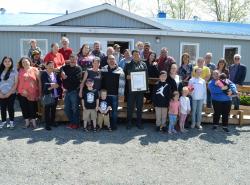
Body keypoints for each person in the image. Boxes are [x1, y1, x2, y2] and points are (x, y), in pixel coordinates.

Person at [124, 50, 148, 129]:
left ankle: (139, 122)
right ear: (132, 56)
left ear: (139, 56)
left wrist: (146, 89)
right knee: (130, 107)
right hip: (131, 90)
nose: (136, 56)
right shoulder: (127, 65)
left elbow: (146, 77)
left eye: (137, 55)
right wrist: (127, 77)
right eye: (134, 55)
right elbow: (123, 76)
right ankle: (129, 122)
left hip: (140, 90)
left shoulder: (143, 64)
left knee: (139, 107)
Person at [101, 55, 125, 130]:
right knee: (105, 110)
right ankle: (106, 124)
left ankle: (114, 125)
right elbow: (101, 82)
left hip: (115, 95)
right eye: (110, 59)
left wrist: (121, 95)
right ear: (107, 60)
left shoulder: (119, 70)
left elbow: (122, 83)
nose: (111, 60)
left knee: (114, 111)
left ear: (115, 60)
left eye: (113, 59)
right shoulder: (104, 69)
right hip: (105, 95)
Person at [17, 57, 41, 129]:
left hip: (32, 92)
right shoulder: (19, 70)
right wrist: (20, 90)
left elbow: (39, 81)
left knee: (32, 107)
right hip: (22, 92)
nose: (25, 63)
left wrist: (40, 92)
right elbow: (18, 81)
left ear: (29, 62)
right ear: (21, 64)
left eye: (26, 61)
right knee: (24, 107)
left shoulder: (35, 69)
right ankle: (27, 122)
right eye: (23, 62)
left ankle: (34, 122)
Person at [60, 53, 82, 129]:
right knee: (67, 108)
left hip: (74, 91)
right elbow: (61, 68)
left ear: (76, 59)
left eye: (74, 58)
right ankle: (72, 122)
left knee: (75, 108)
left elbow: (76, 79)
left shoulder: (78, 68)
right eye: (71, 58)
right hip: (67, 91)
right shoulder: (66, 67)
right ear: (69, 59)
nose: (72, 59)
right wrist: (62, 72)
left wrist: (66, 77)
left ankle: (76, 124)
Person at [40, 61, 62, 130]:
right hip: (48, 94)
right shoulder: (44, 74)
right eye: (49, 65)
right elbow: (44, 84)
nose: (51, 66)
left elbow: (59, 83)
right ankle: (47, 124)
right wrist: (52, 85)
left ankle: (52, 121)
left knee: (53, 109)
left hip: (55, 94)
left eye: (52, 65)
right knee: (47, 110)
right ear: (46, 66)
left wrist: (57, 85)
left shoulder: (55, 73)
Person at [0, 56, 18, 129]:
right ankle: (3, 121)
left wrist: (9, 93)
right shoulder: (0, 71)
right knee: (2, 108)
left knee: (10, 107)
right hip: (1, 93)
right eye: (5, 61)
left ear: (11, 62)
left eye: (9, 61)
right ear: (3, 62)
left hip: (11, 93)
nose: (7, 63)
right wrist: (0, 93)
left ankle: (11, 122)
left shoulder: (14, 71)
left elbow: (16, 83)